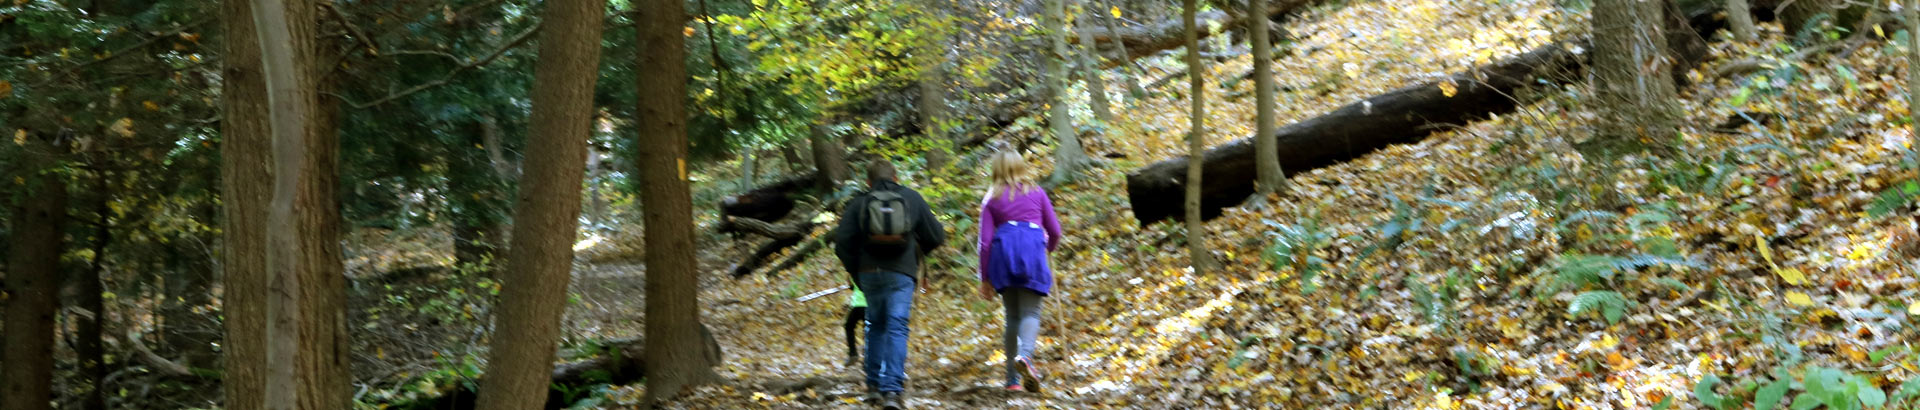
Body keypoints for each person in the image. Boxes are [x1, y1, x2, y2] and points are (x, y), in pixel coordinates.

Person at [833, 160, 945, 409]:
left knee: (874, 325)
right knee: (897, 326)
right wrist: (915, 252)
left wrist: (855, 271)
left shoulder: (859, 202)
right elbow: (937, 235)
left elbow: (841, 243)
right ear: (896, 177)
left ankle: (873, 386)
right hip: (901, 273)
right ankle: (892, 391)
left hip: (869, 272)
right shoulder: (911, 198)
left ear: (868, 182)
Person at [975, 151, 1062, 393]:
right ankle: (1025, 357)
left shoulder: (991, 198)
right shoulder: (1037, 192)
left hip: (1003, 256)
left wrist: (984, 278)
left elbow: (985, 242)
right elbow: (1055, 230)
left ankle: (1012, 380)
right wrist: (1048, 249)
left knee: (1012, 316)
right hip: (1032, 252)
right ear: (1021, 167)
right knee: (1031, 311)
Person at [843, 280, 866, 367]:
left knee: (849, 327)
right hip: (867, 305)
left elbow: (852, 286)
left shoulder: (854, 273)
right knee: (868, 330)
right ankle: (867, 357)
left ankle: (853, 353)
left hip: (857, 305)